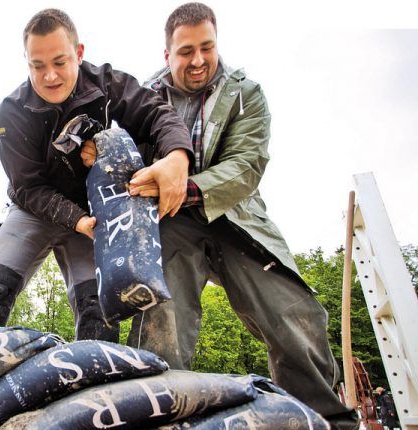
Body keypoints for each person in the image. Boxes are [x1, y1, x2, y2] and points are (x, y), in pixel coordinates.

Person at [115, 3, 355, 427]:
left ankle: (326, 420)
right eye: (186, 51)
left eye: (207, 47)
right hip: (168, 221)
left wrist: (187, 185)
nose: (198, 60)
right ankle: (157, 419)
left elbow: (246, 165)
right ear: (166, 53)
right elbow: (122, 158)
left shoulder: (246, 93)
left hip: (235, 215)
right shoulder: (143, 96)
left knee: (293, 315)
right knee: (162, 316)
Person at [0, 8, 192, 341]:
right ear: (27, 62)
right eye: (38, 66)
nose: (50, 76)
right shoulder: (11, 111)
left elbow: (156, 112)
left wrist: (179, 156)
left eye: (59, 62)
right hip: (32, 209)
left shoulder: (108, 84)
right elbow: (27, 188)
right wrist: (75, 219)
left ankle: (96, 386)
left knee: (100, 307)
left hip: (93, 213)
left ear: (79, 54)